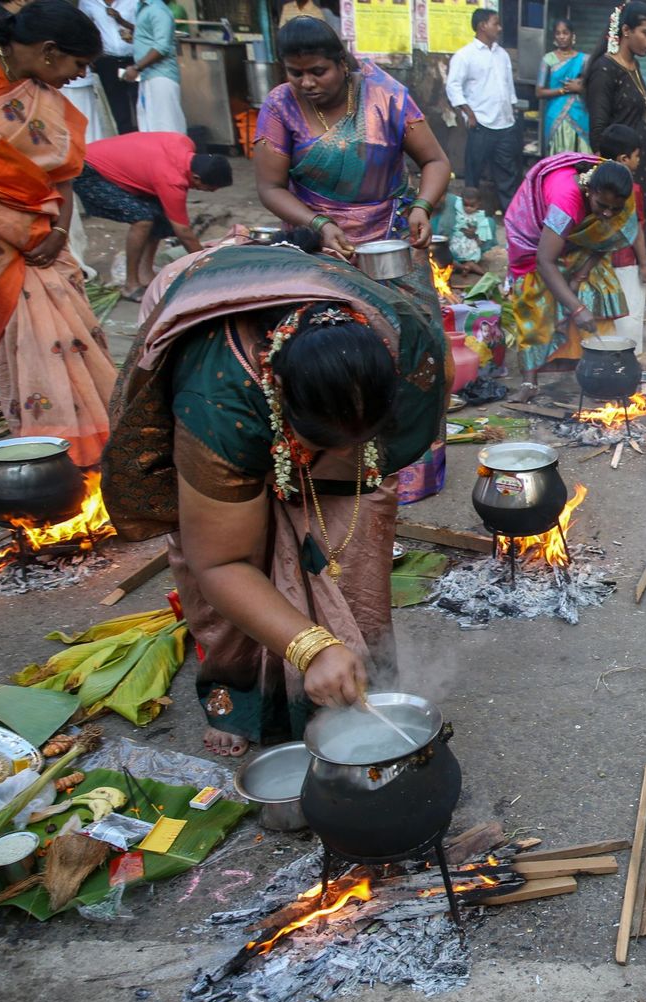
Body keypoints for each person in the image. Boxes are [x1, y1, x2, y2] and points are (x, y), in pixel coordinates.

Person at [101, 234, 448, 757]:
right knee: (234, 550)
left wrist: (342, 463)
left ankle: (358, 672)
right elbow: (220, 562)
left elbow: (369, 455)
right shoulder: (217, 399)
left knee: (352, 542)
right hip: (200, 300)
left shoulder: (411, 349)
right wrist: (309, 644)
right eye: (312, 445)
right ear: (277, 403)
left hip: (319, 356)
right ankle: (241, 695)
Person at [0, 0, 117, 467]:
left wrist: (60, 232)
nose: (77, 76)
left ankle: (79, 456)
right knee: (25, 346)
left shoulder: (40, 94)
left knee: (65, 338)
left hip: (42, 241)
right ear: (49, 52)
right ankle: (41, 455)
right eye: (78, 65)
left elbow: (62, 173)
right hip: (0, 249)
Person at [255, 17, 450, 278]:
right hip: (317, 241)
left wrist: (422, 207)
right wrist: (319, 224)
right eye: (296, 73)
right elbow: (270, 187)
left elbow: (435, 161)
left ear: (342, 64)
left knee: (406, 314)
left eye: (318, 71)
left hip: (391, 240)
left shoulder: (385, 96)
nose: (307, 83)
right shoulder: (280, 106)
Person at [501, 156, 638, 390]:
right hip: (534, 240)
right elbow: (544, 261)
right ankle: (530, 380)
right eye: (601, 206)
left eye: (614, 209)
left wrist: (580, 275)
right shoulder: (566, 201)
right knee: (537, 296)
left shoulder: (621, 192)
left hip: (571, 238)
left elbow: (605, 238)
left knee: (599, 283)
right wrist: (577, 309)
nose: (607, 214)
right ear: (588, 190)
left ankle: (582, 362)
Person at [74, 132, 232, 300]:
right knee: (143, 219)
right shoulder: (172, 181)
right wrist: (208, 266)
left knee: (161, 217)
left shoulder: (185, 143)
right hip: (87, 170)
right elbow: (184, 234)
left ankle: (145, 272)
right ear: (196, 177)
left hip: (108, 160)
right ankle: (131, 285)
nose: (209, 192)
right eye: (208, 188)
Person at [585, 1, 646, 250]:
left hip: (645, 169)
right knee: (626, 249)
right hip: (625, 175)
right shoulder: (605, 69)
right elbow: (599, 133)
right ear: (626, 31)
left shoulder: (634, 66)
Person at [447, 8, 523, 201]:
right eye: (495, 23)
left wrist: (512, 111)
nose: (500, 28)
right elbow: (453, 86)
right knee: (474, 172)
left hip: (505, 124)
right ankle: (469, 220)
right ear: (482, 26)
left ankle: (510, 220)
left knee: (508, 174)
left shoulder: (502, 55)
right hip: (481, 124)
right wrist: (469, 113)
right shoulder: (465, 55)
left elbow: (508, 86)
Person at [598, 123, 646, 355]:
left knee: (605, 315)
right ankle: (627, 361)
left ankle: (601, 358)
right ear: (624, 158)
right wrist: (643, 265)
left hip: (599, 261)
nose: (639, 161)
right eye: (637, 156)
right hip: (626, 262)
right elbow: (636, 230)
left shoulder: (592, 182)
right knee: (629, 314)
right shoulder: (632, 189)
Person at [121, 0, 181, 134]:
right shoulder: (143, 7)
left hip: (161, 76)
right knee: (150, 127)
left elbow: (162, 47)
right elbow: (151, 39)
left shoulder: (158, 10)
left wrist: (136, 68)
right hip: (148, 76)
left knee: (167, 128)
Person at [536, 18, 589, 158]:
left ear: (572, 35)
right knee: (558, 156)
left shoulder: (584, 60)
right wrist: (563, 90)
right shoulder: (548, 59)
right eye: (558, 33)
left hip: (579, 114)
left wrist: (578, 88)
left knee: (581, 156)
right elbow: (539, 92)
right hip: (555, 114)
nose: (561, 36)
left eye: (565, 33)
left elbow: (591, 88)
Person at [79, 0, 133, 135]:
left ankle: (147, 138)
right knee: (118, 104)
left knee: (138, 97)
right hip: (108, 63)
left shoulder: (134, 2)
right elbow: (83, 28)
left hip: (133, 61)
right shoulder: (88, 3)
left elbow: (144, 27)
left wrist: (120, 19)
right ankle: (127, 141)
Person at [436, 185, 497, 284]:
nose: (468, 208)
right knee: (447, 256)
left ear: (478, 204)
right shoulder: (457, 206)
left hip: (470, 244)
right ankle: (464, 266)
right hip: (456, 242)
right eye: (465, 205)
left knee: (471, 257)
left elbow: (482, 235)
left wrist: (476, 236)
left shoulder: (480, 217)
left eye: (471, 206)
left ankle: (475, 269)